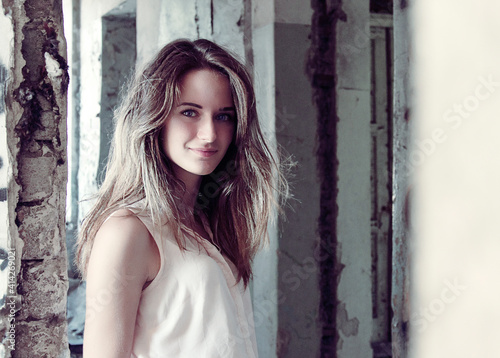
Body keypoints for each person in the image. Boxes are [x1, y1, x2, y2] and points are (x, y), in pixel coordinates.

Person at [75, 39, 288, 358]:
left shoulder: (211, 220)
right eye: (190, 112)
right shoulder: (128, 232)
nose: (209, 134)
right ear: (155, 118)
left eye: (224, 116)